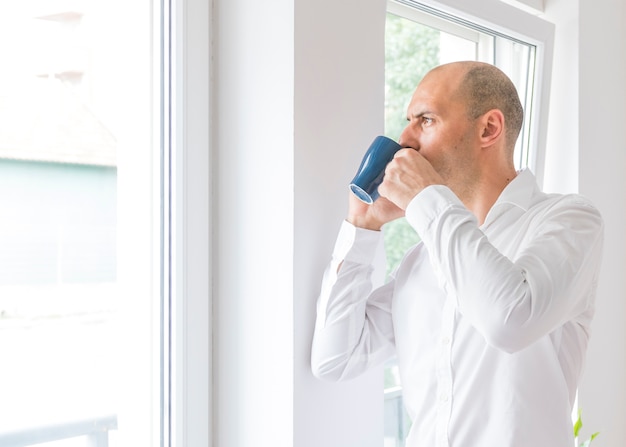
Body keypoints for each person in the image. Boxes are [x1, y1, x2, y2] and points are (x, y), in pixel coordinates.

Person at [310, 61, 604, 446]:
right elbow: (336, 359)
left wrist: (426, 199)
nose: (405, 139)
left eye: (426, 120)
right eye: (409, 121)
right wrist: (361, 228)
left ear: (489, 129)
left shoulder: (570, 220)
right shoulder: (424, 255)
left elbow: (510, 320)